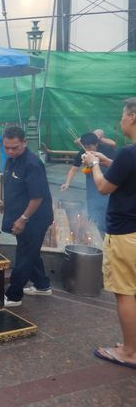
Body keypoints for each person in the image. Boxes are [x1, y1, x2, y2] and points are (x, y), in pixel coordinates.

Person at [82, 98, 136, 368]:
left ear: (133, 117)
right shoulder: (126, 156)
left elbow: (104, 187)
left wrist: (93, 164)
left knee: (125, 292)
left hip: (126, 232)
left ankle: (128, 352)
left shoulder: (129, 152)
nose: (121, 121)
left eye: (123, 116)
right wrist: (106, 160)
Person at [0, 126, 54, 307]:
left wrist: (23, 219)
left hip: (35, 218)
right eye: (6, 147)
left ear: (24, 142)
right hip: (22, 213)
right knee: (30, 251)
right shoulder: (11, 160)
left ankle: (13, 296)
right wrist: (7, 203)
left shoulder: (32, 163)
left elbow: (37, 197)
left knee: (24, 255)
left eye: (15, 147)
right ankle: (42, 285)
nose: (10, 151)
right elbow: (14, 185)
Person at [61, 132, 115, 233]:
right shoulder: (83, 152)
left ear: (96, 144)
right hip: (91, 183)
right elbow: (73, 169)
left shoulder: (107, 150)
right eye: (85, 147)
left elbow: (116, 166)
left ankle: (106, 231)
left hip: (106, 183)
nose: (87, 150)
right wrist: (67, 183)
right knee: (92, 205)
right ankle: (94, 229)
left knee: (105, 208)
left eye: (90, 147)